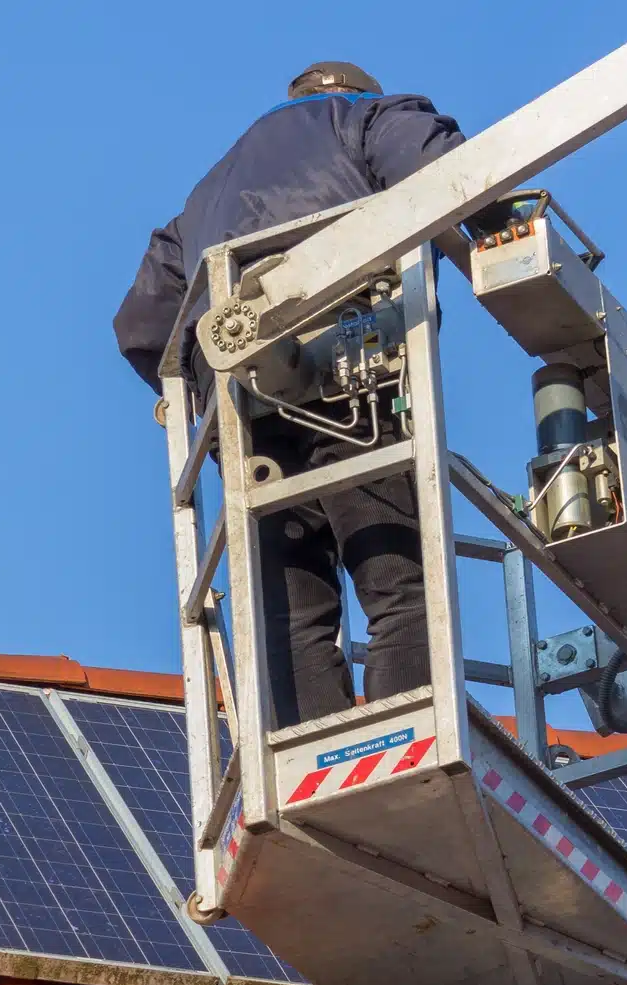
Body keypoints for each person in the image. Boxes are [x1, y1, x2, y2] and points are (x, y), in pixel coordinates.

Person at [115, 62, 477, 728]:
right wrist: (503, 226)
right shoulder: (368, 119)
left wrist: (198, 390)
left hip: (239, 408)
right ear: (354, 95)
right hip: (349, 370)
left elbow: (140, 324)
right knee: (400, 581)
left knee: (291, 604)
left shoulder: (203, 196)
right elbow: (446, 172)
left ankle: (311, 749)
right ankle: (408, 733)